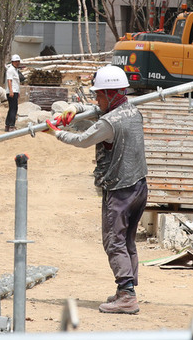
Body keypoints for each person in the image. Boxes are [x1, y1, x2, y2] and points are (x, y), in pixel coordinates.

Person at [45, 65, 147, 315]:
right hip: (140, 186)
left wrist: (56, 132)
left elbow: (82, 140)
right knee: (127, 240)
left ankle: (126, 296)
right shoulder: (132, 111)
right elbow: (98, 111)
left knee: (114, 241)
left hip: (120, 189)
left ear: (111, 94)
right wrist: (76, 108)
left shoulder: (109, 123)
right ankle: (127, 288)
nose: (96, 99)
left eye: (99, 95)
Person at [4, 54, 22, 132]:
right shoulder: (11, 69)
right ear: (12, 62)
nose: (17, 63)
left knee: (12, 108)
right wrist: (11, 91)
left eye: (18, 61)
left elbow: (16, 82)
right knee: (14, 109)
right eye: (16, 61)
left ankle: (7, 125)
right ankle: (11, 125)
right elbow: (9, 80)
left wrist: (18, 92)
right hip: (12, 92)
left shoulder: (15, 70)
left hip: (15, 91)